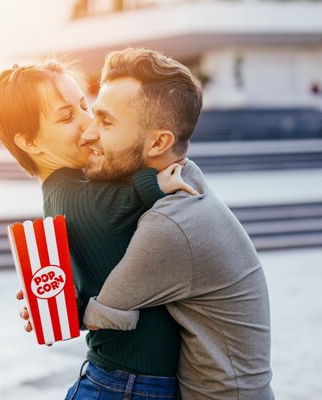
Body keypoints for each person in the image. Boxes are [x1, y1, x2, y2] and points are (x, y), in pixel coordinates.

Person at [0, 59, 194, 400]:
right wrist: (153, 169)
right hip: (126, 387)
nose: (88, 123)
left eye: (85, 105)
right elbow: (148, 193)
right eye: (67, 116)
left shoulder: (70, 191)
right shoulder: (77, 199)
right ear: (29, 142)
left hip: (124, 382)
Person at [78, 49, 274, 399]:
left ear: (159, 142)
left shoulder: (171, 224)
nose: (88, 134)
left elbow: (99, 316)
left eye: (106, 122)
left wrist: (44, 301)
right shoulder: (187, 177)